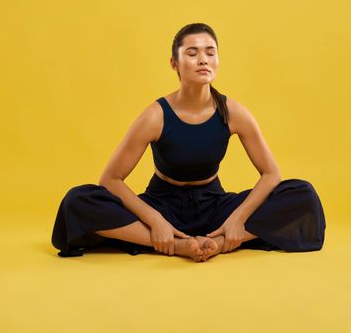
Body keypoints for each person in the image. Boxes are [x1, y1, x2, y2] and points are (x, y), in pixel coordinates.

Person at [51, 23, 326, 262]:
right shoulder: (155, 116)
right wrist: (156, 221)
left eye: (210, 52)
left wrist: (236, 220)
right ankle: (175, 244)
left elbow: (271, 174)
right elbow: (110, 179)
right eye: (192, 53)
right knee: (78, 200)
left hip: (215, 206)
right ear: (174, 63)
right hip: (163, 203)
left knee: (302, 194)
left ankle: (219, 242)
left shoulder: (233, 112)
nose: (203, 60)